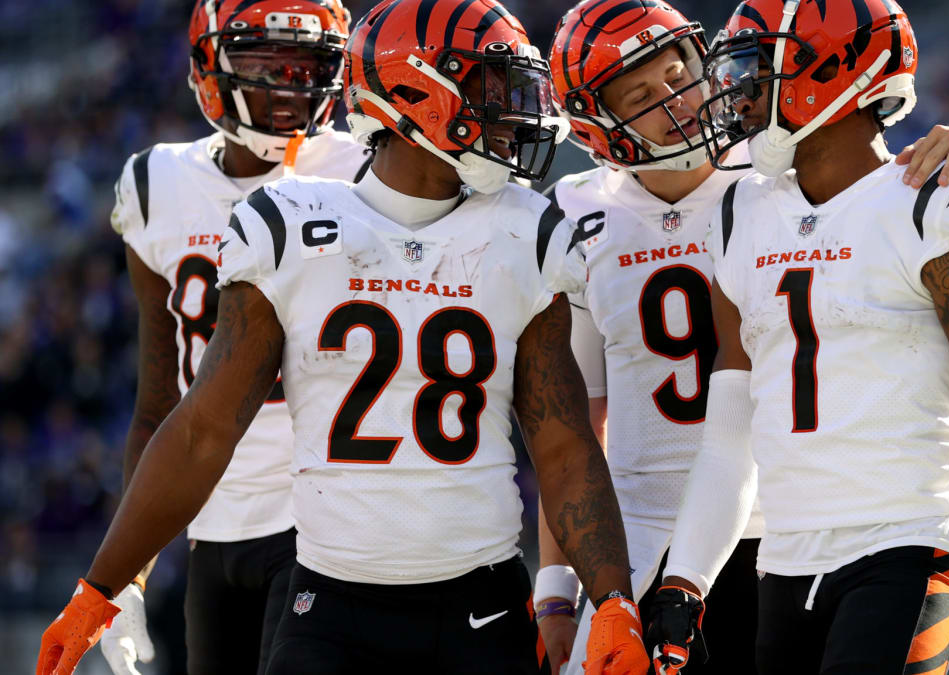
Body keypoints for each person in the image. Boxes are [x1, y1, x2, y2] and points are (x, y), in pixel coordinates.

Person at [37, 1, 649, 674]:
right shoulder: (288, 224)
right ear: (419, 93)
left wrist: (612, 596)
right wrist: (103, 586)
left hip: (483, 603)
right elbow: (203, 427)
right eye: (487, 87)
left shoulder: (527, 229)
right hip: (330, 604)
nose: (511, 111)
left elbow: (563, 447)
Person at [647, 1, 949, 674]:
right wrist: (686, 578)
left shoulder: (933, 199)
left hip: (909, 541)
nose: (740, 94)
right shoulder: (740, 214)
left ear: (828, 69)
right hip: (784, 560)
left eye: (756, 70)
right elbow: (729, 434)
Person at [536, 1, 949, 673]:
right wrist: (558, 586)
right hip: (640, 532)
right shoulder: (573, 212)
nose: (676, 101)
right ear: (595, 122)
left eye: (679, 76)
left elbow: (877, 172)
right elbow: (575, 423)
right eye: (640, 95)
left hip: (773, 530)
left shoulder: (772, 171)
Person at [103, 1, 366, 673]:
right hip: (210, 528)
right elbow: (159, 401)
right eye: (263, 63)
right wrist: (125, 582)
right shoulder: (154, 184)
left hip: (327, 518)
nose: (287, 84)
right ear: (210, 66)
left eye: (305, 63)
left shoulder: (368, 170)